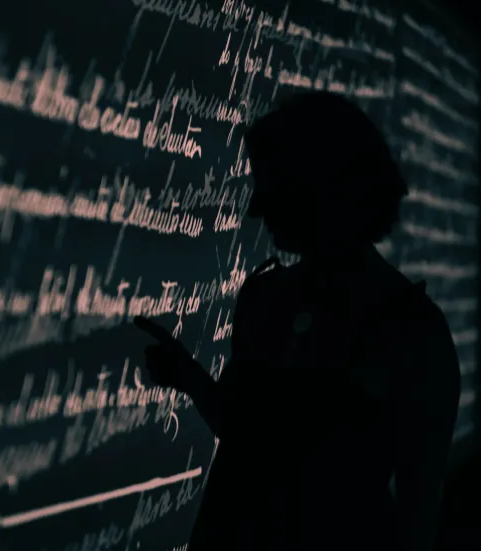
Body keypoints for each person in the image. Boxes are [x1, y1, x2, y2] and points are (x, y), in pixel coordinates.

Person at [134, 91, 462, 551]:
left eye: (272, 186)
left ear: (323, 187)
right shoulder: (264, 297)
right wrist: (190, 379)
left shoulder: (410, 330)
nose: (255, 209)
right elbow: (252, 441)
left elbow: (417, 512)